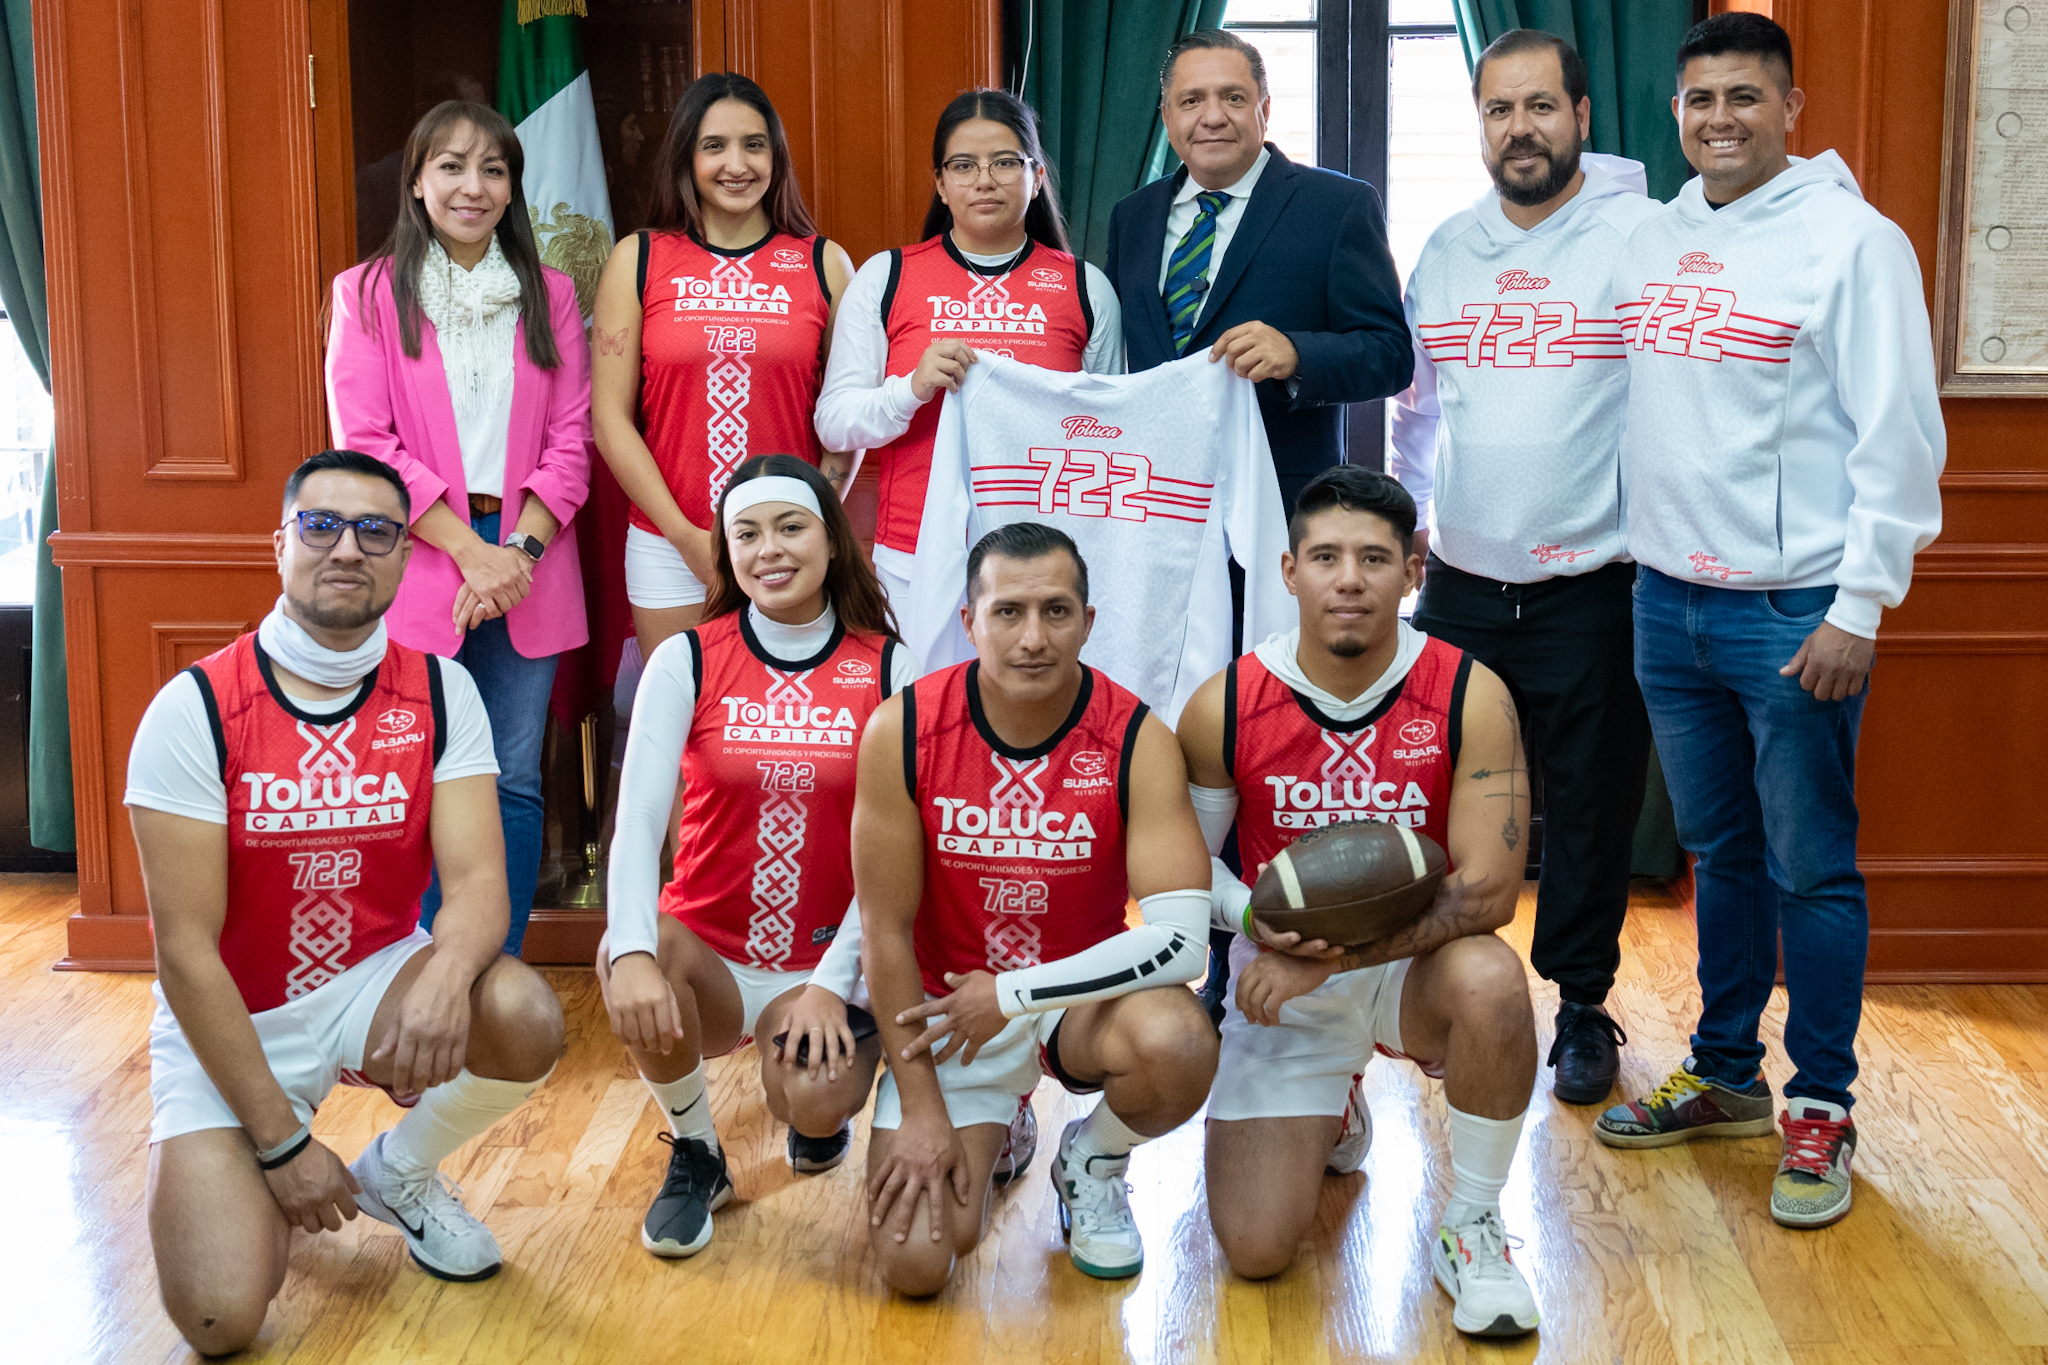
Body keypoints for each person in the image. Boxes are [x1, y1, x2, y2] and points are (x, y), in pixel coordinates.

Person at [1594, 14, 1944, 1232]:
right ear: (1676, 113)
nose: (1718, 120)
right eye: (1698, 100)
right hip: (1666, 606)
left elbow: (1897, 438)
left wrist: (1859, 606)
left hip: (1793, 615)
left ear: (1790, 110)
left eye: (1744, 97)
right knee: (1719, 858)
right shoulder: (1654, 237)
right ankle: (1728, 1073)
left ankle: (1823, 1103)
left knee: (1811, 866)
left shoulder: (1852, 243)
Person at [126, 452, 566, 1356]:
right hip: (234, 1014)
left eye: (377, 531)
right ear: (279, 542)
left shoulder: (444, 691)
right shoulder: (195, 707)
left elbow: (481, 880)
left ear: (406, 559)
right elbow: (184, 952)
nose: (347, 548)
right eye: (321, 525)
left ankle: (396, 1176)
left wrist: (447, 970)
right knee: (218, 1318)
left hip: (370, 977)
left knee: (521, 1011)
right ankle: (245, 1155)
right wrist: (283, 1146)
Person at [1177, 467, 1540, 1336]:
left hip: (1416, 967)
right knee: (1258, 1249)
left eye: (1375, 558)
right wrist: (1257, 926)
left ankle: (1475, 1221)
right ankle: (1337, 1096)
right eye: (1328, 556)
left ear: (1413, 571)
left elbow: (1488, 889)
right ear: (1288, 569)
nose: (1349, 578)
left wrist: (1332, 965)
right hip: (1284, 977)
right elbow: (1182, 872)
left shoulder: (1468, 690)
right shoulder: (1225, 703)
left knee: (1493, 980)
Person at [1390, 29, 1659, 1107]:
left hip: (1592, 582)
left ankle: (1583, 1003)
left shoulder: (1639, 238)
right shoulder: (1447, 249)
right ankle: (1432, 983)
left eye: (1540, 107)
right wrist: (1405, 520)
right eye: (1499, 110)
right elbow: (1414, 408)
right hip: (1459, 578)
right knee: (1438, 792)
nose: (1520, 129)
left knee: (1589, 806)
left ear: (1581, 118)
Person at [851, 524, 1215, 1291]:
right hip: (950, 1015)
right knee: (917, 1263)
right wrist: (920, 1110)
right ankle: (1004, 1126)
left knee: (1177, 1041)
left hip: (1075, 999)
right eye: (1009, 611)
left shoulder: (1138, 736)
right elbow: (882, 932)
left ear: (1088, 621)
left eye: (1056, 611)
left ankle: (1093, 1157)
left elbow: (1183, 944)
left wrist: (1015, 993)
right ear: (969, 621)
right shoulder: (903, 727)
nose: (1033, 637)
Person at [598, 455, 912, 1259]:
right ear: (726, 552)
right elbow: (635, 820)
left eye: (790, 527)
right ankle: (698, 1150)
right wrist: (631, 950)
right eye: (746, 533)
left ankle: (822, 1115)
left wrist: (829, 981)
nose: (768, 549)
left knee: (811, 1100)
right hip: (709, 952)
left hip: (824, 961)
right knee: (628, 948)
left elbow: (896, 862)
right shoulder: (689, 658)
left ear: (833, 542)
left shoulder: (889, 666)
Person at [327, 101, 593, 956]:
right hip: (425, 558)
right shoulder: (367, 294)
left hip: (532, 559)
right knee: (424, 773)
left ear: (513, 187)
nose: (473, 187)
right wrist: (474, 553)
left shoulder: (550, 295)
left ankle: (493, 975)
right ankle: (423, 972)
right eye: (451, 166)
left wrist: (514, 554)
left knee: (514, 776)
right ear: (416, 180)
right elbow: (368, 444)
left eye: (493, 169)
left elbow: (572, 439)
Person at [814, 90, 1124, 605]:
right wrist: (908, 391)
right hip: (916, 555)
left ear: (1037, 176)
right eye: (963, 165)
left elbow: (1112, 434)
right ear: (940, 183)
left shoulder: (1086, 288)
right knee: (928, 690)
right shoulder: (886, 276)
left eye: (1005, 162)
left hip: (1048, 560)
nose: (984, 179)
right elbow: (834, 422)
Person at [592, 73, 858, 661]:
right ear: (686, 156)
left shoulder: (826, 265)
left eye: (754, 145)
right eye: (714, 145)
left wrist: (809, 524)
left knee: (776, 725)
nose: (736, 164)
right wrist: (687, 537)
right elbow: (610, 420)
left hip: (789, 545)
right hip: (669, 542)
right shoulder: (638, 259)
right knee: (683, 728)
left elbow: (848, 420)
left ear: (776, 156)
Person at [1105, 28, 1411, 513]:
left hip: (1281, 505)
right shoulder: (1132, 216)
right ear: (1167, 118)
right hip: (1153, 497)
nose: (1212, 117)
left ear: (1264, 110)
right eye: (1191, 101)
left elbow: (1391, 356)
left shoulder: (1338, 207)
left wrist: (1297, 354)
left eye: (1233, 97)